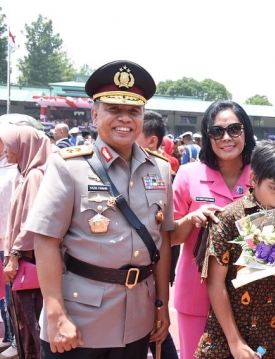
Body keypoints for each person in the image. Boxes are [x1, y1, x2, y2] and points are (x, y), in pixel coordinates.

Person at [27, 60, 174, 359]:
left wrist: (161, 304)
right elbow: (45, 240)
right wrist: (55, 314)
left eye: (134, 111)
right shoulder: (68, 166)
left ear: (143, 117)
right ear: (95, 115)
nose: (125, 118)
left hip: (138, 317)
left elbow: (163, 240)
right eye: (114, 109)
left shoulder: (159, 168)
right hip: (79, 320)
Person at [194, 140, 275, 359]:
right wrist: (235, 342)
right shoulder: (228, 218)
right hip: (225, 339)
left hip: (271, 338)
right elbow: (215, 284)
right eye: (274, 188)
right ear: (254, 179)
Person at [171, 99, 256, 359]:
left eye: (234, 129)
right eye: (217, 131)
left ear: (246, 131)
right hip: (196, 295)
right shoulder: (187, 175)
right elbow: (171, 237)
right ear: (207, 137)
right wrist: (191, 218)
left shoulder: (262, 176)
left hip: (250, 297)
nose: (226, 137)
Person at [1, 124, 52, 359]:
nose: (5, 151)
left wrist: (14, 256)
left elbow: (32, 222)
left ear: (23, 145)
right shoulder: (26, 172)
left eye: (9, 145)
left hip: (27, 260)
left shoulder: (34, 176)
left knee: (32, 325)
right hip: (25, 258)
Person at [136, 111, 179, 359]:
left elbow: (165, 232)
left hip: (151, 274)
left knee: (158, 334)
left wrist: (162, 299)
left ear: (152, 141)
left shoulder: (162, 170)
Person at [0, 125, 18, 358]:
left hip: (7, 241)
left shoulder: (15, 171)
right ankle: (8, 337)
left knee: (9, 291)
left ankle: (14, 337)